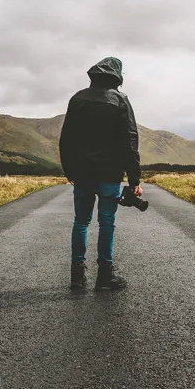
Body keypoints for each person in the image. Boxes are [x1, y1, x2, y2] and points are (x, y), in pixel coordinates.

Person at [58, 56, 142, 291]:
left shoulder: (77, 99)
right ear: (117, 76)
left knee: (81, 222)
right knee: (106, 223)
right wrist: (134, 179)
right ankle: (105, 276)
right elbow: (130, 141)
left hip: (83, 173)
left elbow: (66, 138)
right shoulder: (120, 100)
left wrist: (69, 169)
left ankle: (77, 277)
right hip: (110, 173)